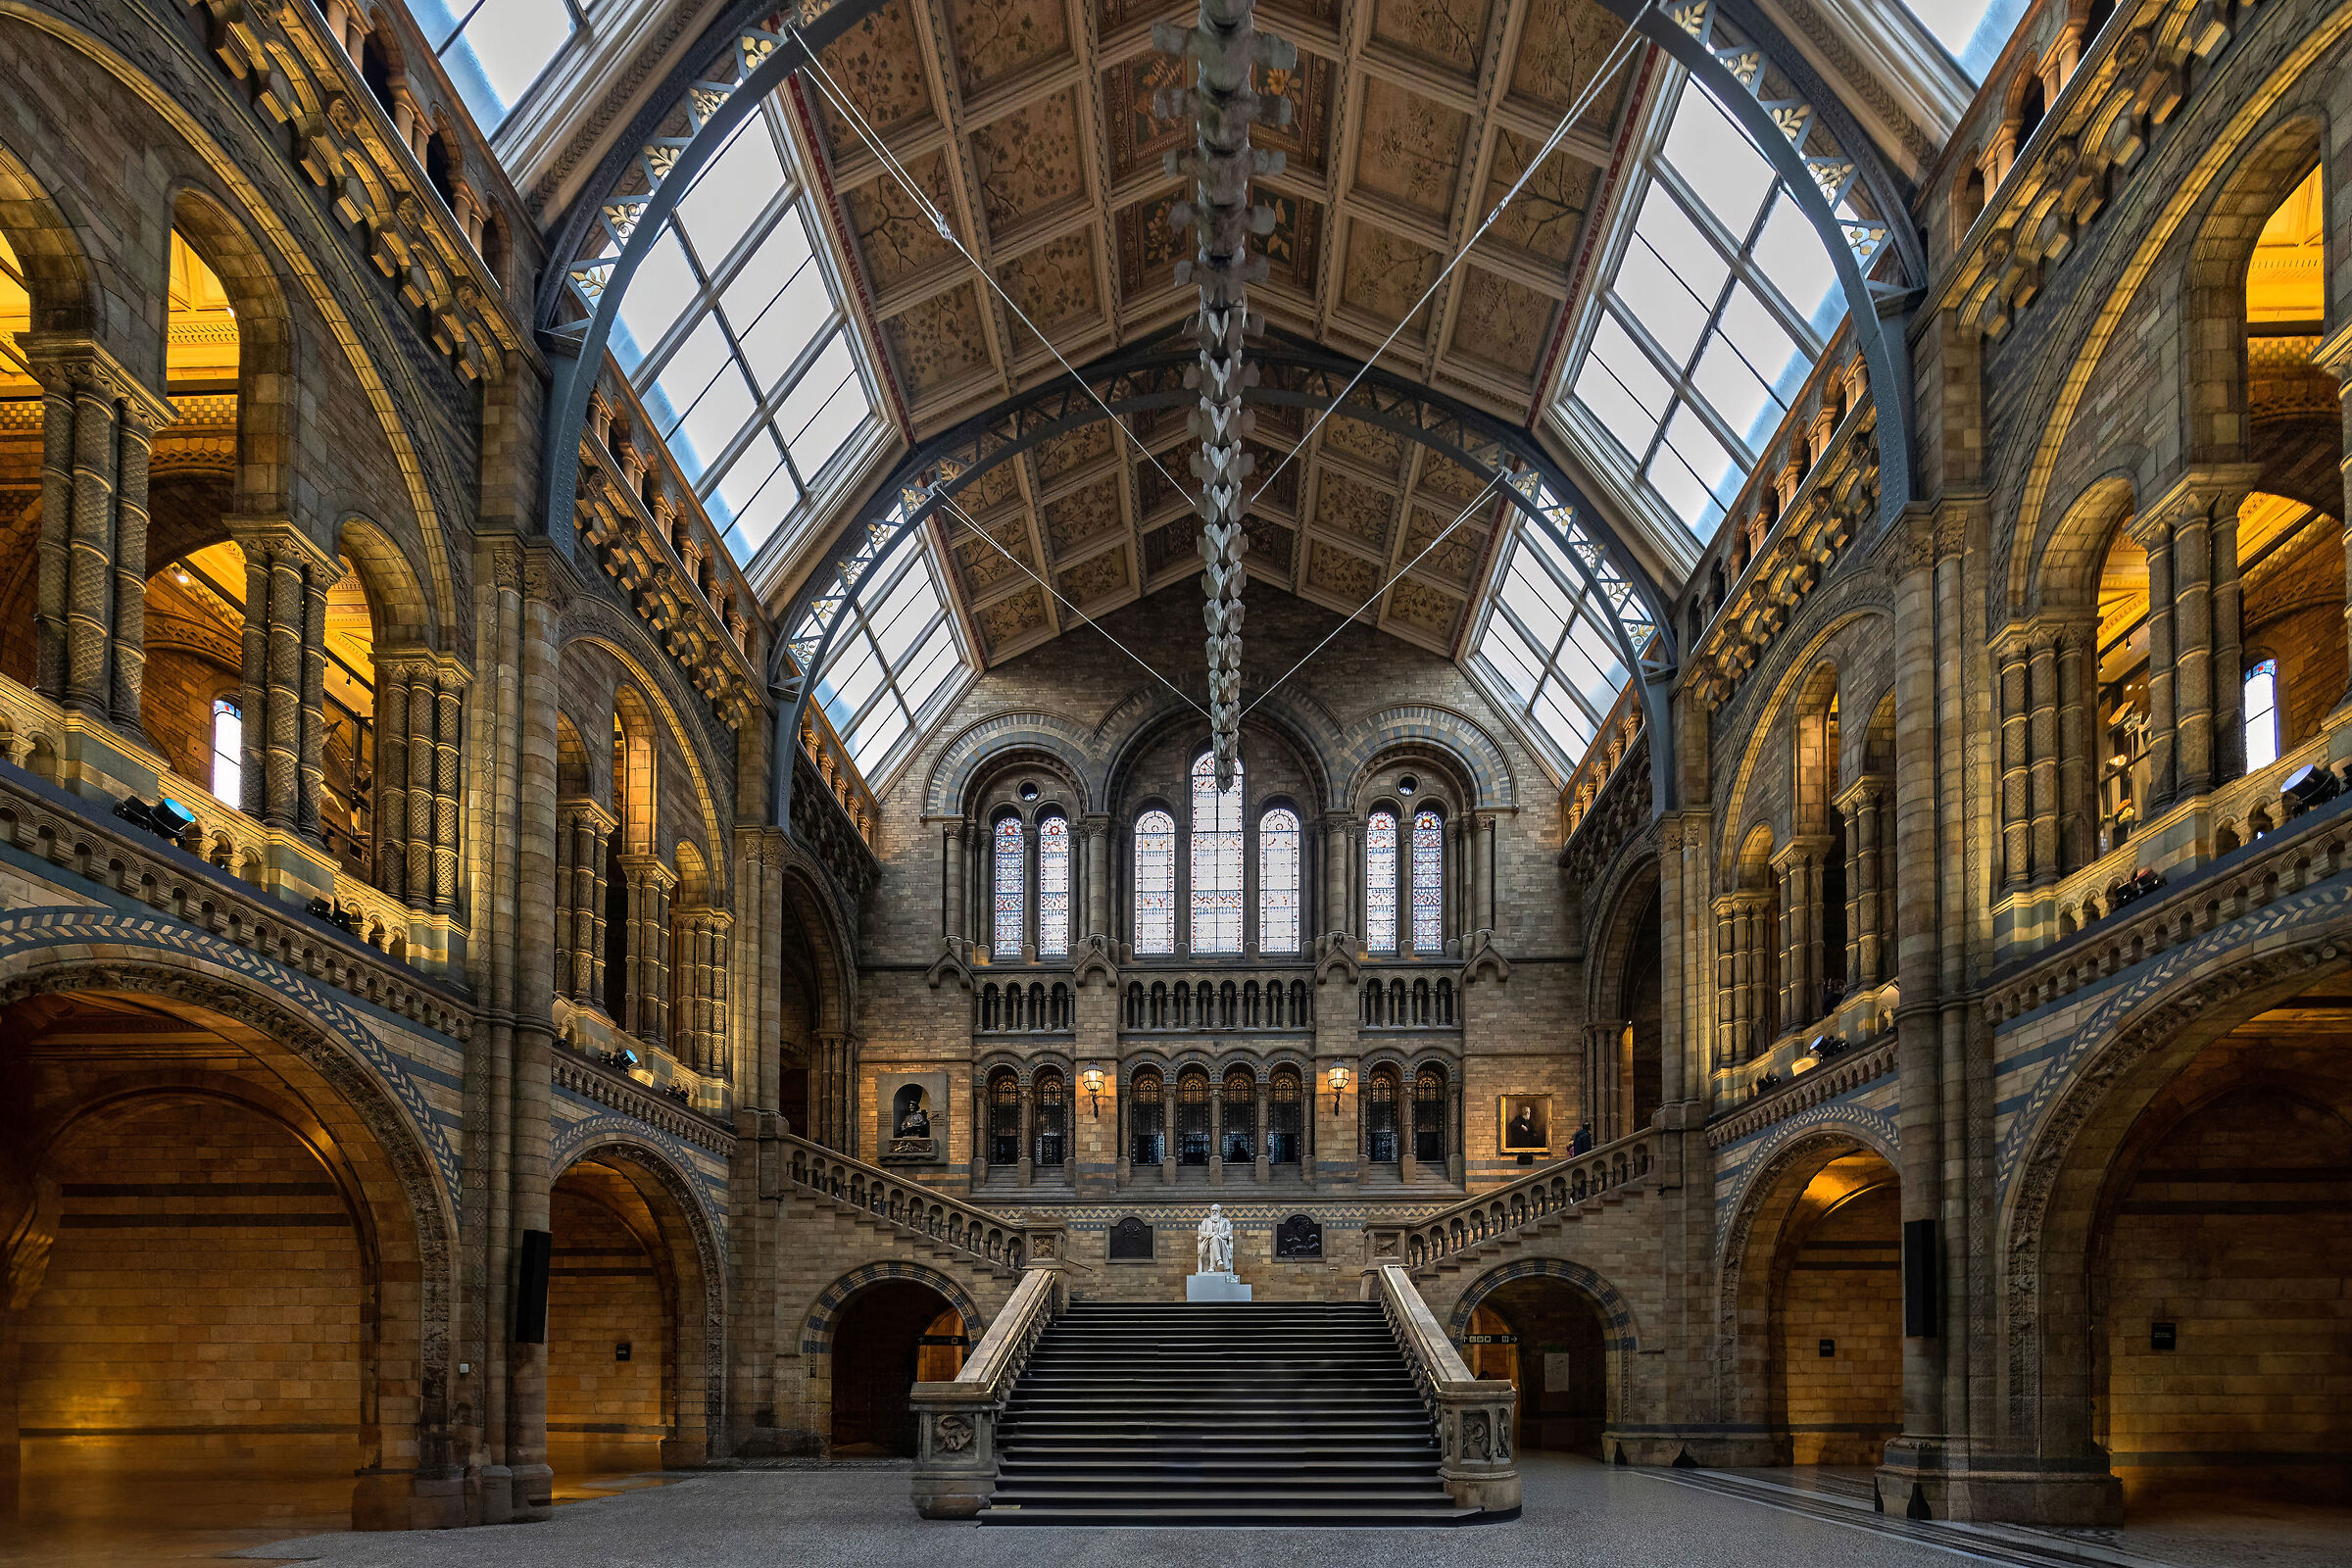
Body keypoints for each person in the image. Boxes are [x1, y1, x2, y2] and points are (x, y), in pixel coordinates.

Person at [1195, 1202, 1234, 1274]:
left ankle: (1212, 1267)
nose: (1214, 1212)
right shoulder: (1206, 1221)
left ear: (1219, 1212)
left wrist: (1219, 1236)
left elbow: (1228, 1233)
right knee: (1213, 1239)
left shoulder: (1225, 1221)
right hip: (1208, 1240)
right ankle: (1218, 1260)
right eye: (1213, 1211)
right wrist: (1211, 1234)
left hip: (1221, 1241)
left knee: (1214, 1240)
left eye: (1216, 1211)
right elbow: (1202, 1233)